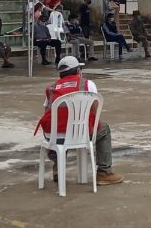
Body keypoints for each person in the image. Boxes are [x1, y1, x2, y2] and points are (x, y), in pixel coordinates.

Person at [36, 56, 123, 186]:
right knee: (104, 129)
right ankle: (104, 172)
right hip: (80, 133)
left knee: (59, 128)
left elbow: (47, 111)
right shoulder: (87, 84)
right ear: (78, 70)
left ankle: (58, 166)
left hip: (54, 136)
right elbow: (95, 110)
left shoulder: (51, 88)